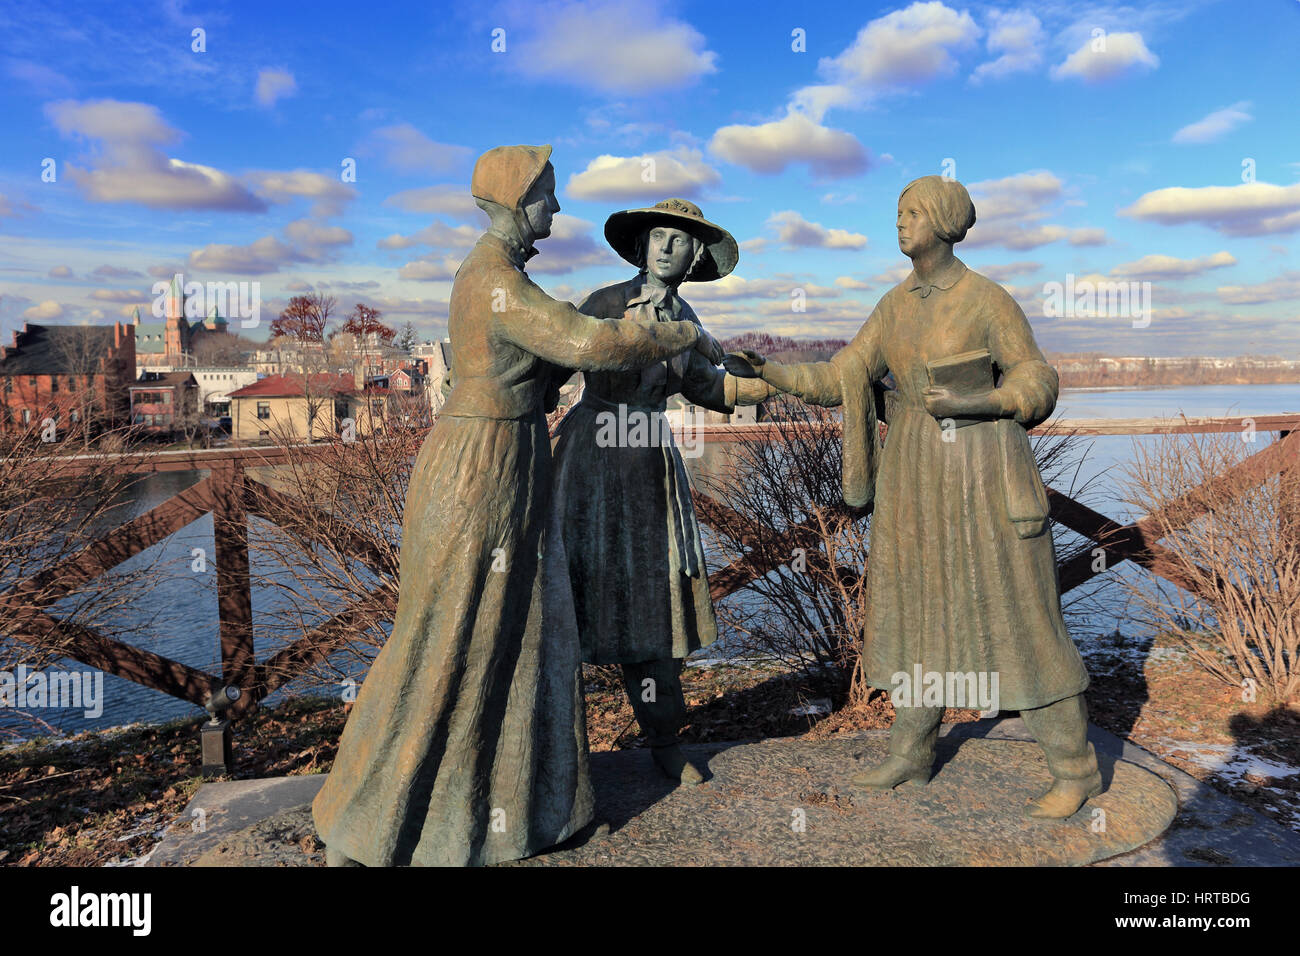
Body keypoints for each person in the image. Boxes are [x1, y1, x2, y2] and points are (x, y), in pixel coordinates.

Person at [312, 146, 724, 866]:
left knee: (514, 633)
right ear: (515, 199)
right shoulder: (496, 281)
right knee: (451, 634)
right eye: (548, 198)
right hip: (486, 469)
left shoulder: (502, 278)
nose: (556, 211)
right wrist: (680, 333)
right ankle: (376, 821)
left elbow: (547, 365)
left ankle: (507, 811)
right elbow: (589, 341)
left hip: (509, 457)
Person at [727, 175, 1101, 819]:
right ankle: (912, 749)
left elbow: (1037, 378)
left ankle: (1075, 766)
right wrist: (772, 373)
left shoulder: (987, 299)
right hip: (913, 479)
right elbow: (842, 375)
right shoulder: (894, 305)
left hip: (984, 475)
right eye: (897, 212)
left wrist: (983, 400)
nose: (900, 223)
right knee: (914, 613)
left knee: (1021, 619)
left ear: (946, 221)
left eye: (912, 212)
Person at [550, 198, 775, 785]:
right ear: (643, 247)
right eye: (659, 237)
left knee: (654, 596)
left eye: (681, 239)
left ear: (696, 254)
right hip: (591, 461)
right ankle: (558, 750)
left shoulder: (690, 318)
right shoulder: (606, 303)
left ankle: (663, 737)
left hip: (651, 464)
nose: (669, 247)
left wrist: (766, 384)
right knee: (569, 595)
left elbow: (708, 388)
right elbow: (557, 361)